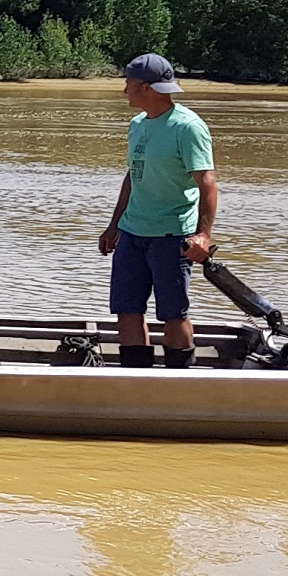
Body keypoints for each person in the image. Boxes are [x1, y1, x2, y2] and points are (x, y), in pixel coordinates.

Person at [97, 52, 217, 368]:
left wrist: (203, 235)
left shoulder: (187, 127)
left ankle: (181, 378)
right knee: (127, 308)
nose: (124, 91)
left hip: (171, 234)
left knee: (172, 313)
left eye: (129, 84)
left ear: (148, 88)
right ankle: (135, 379)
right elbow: (133, 176)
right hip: (132, 231)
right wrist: (114, 225)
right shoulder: (137, 125)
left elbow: (207, 183)